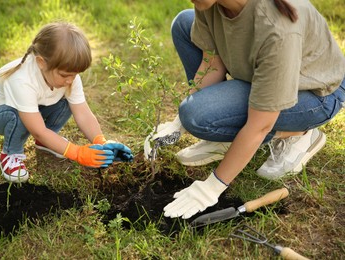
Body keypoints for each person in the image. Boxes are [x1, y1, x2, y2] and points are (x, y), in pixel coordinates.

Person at [144, 0, 345, 219]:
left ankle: (299, 134)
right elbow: (212, 63)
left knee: (198, 116)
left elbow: (260, 125)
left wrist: (210, 188)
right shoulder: (211, 5)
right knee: (184, 23)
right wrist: (177, 124)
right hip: (263, 75)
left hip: (314, 93)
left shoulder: (277, 27)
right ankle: (223, 133)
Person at [0, 22, 133, 183]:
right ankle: (10, 154)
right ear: (41, 63)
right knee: (19, 115)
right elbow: (38, 130)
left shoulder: (67, 76)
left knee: (68, 101)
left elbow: (83, 113)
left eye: (75, 74)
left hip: (33, 108)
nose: (71, 80)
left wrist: (101, 142)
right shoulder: (22, 80)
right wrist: (76, 153)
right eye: (65, 75)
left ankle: (47, 142)